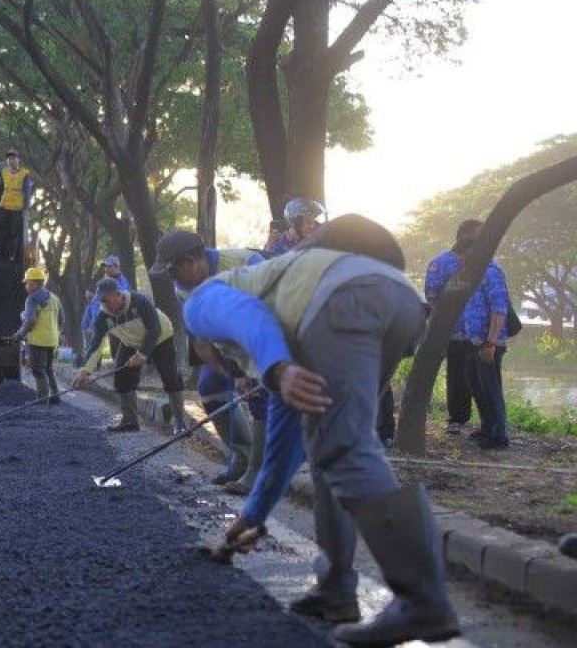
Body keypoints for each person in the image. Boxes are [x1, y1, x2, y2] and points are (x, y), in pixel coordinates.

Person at [186, 215, 460, 647]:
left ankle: (423, 601)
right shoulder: (288, 326)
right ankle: (335, 591)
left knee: (346, 449)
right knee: (331, 450)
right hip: (403, 305)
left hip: (342, 304)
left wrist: (276, 368)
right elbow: (283, 439)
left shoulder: (200, 304)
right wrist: (255, 513)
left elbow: (246, 315)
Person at [152, 230, 266, 492]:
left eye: (173, 270)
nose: (172, 279)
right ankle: (241, 456)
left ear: (191, 260)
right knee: (210, 386)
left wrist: (243, 371)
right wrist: (224, 368)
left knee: (261, 391)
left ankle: (260, 472)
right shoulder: (184, 288)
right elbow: (203, 335)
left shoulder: (246, 265)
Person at [426, 219, 511, 450]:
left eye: (462, 258)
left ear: (472, 254)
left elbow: (499, 309)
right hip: (471, 340)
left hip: (488, 341)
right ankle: (486, 428)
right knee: (475, 385)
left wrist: (491, 343)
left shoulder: (491, 273)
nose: (460, 262)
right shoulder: (469, 272)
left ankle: (499, 435)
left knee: (490, 387)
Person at [72, 278, 185, 433]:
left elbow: (154, 329)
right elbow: (96, 345)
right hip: (131, 341)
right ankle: (130, 421)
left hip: (161, 337)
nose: (104, 304)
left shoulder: (139, 301)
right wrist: (85, 371)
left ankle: (180, 422)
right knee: (121, 377)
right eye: (101, 301)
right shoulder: (103, 318)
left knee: (170, 377)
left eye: (106, 300)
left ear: (117, 294)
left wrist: (142, 355)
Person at [9, 267, 62, 404]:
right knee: (48, 369)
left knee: (38, 370)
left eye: (28, 283)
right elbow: (61, 319)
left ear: (36, 283)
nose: (26, 286)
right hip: (52, 340)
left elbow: (31, 320)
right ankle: (55, 397)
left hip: (38, 341)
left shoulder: (31, 299)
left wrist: (20, 334)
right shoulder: (55, 298)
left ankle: (42, 400)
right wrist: (55, 332)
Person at [0, 149, 34, 260]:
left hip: (17, 207)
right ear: (7, 161)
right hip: (3, 205)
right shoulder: (4, 172)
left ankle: (13, 254)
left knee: (14, 232)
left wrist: (26, 209)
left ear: (18, 160)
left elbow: (28, 192)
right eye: (9, 159)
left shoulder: (25, 174)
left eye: (13, 158)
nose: (11, 161)